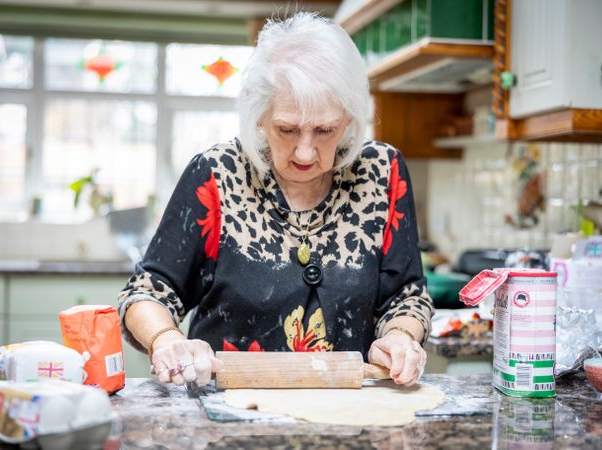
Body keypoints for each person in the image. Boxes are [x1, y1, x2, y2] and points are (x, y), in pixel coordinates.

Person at [118, 12, 434, 388]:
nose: (305, 152)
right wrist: (166, 340)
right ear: (259, 116)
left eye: (324, 130)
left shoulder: (382, 172)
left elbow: (406, 295)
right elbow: (147, 291)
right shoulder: (217, 174)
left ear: (349, 119)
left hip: (347, 411)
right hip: (228, 414)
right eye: (287, 129)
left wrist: (400, 337)